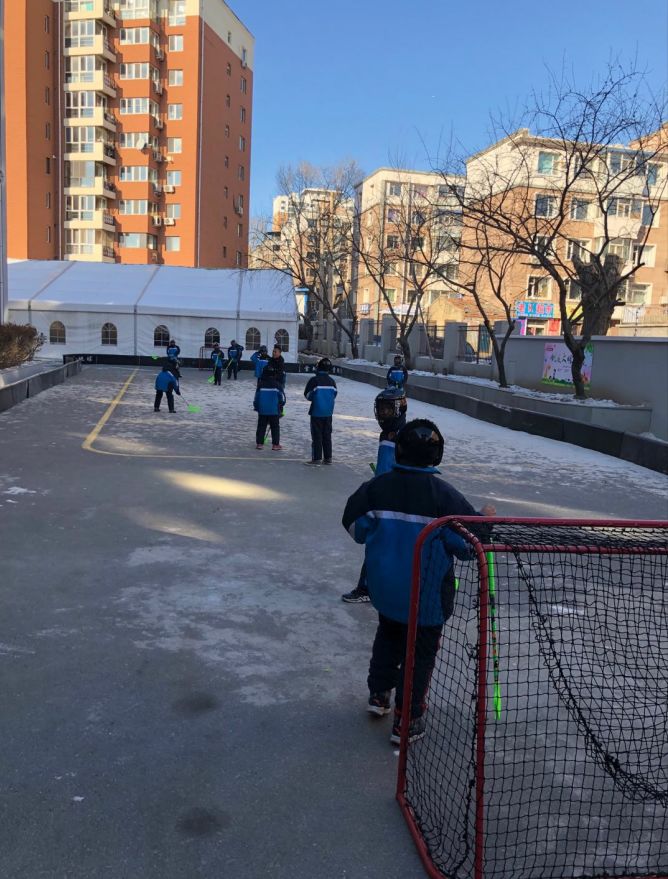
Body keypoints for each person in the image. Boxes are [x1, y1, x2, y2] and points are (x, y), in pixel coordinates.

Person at [341, 419, 496, 744]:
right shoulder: (445, 496)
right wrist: (485, 519)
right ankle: (407, 719)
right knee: (420, 654)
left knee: (389, 636)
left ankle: (379, 695)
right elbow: (468, 545)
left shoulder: (378, 487)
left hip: (386, 591)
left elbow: (356, 528)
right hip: (426, 598)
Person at [341, 386, 407, 604]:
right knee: (378, 544)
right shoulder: (386, 434)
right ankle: (368, 586)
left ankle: (369, 588)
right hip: (383, 496)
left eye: (388, 409)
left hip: (395, 501)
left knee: (383, 544)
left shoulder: (405, 436)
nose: (383, 414)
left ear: (400, 408)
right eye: (381, 409)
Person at [303, 357, 337, 465]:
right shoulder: (332, 381)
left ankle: (317, 458)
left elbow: (307, 395)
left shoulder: (314, 380)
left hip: (316, 412)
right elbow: (335, 394)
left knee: (317, 435)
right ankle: (328, 458)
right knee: (327, 435)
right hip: (328, 412)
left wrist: (316, 399)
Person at [253, 364, 286, 450]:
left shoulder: (261, 384)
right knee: (275, 427)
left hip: (262, 410)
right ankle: (275, 445)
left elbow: (257, 397)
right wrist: (281, 405)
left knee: (261, 426)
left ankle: (259, 444)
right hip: (274, 410)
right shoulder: (277, 385)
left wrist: (256, 406)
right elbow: (282, 397)